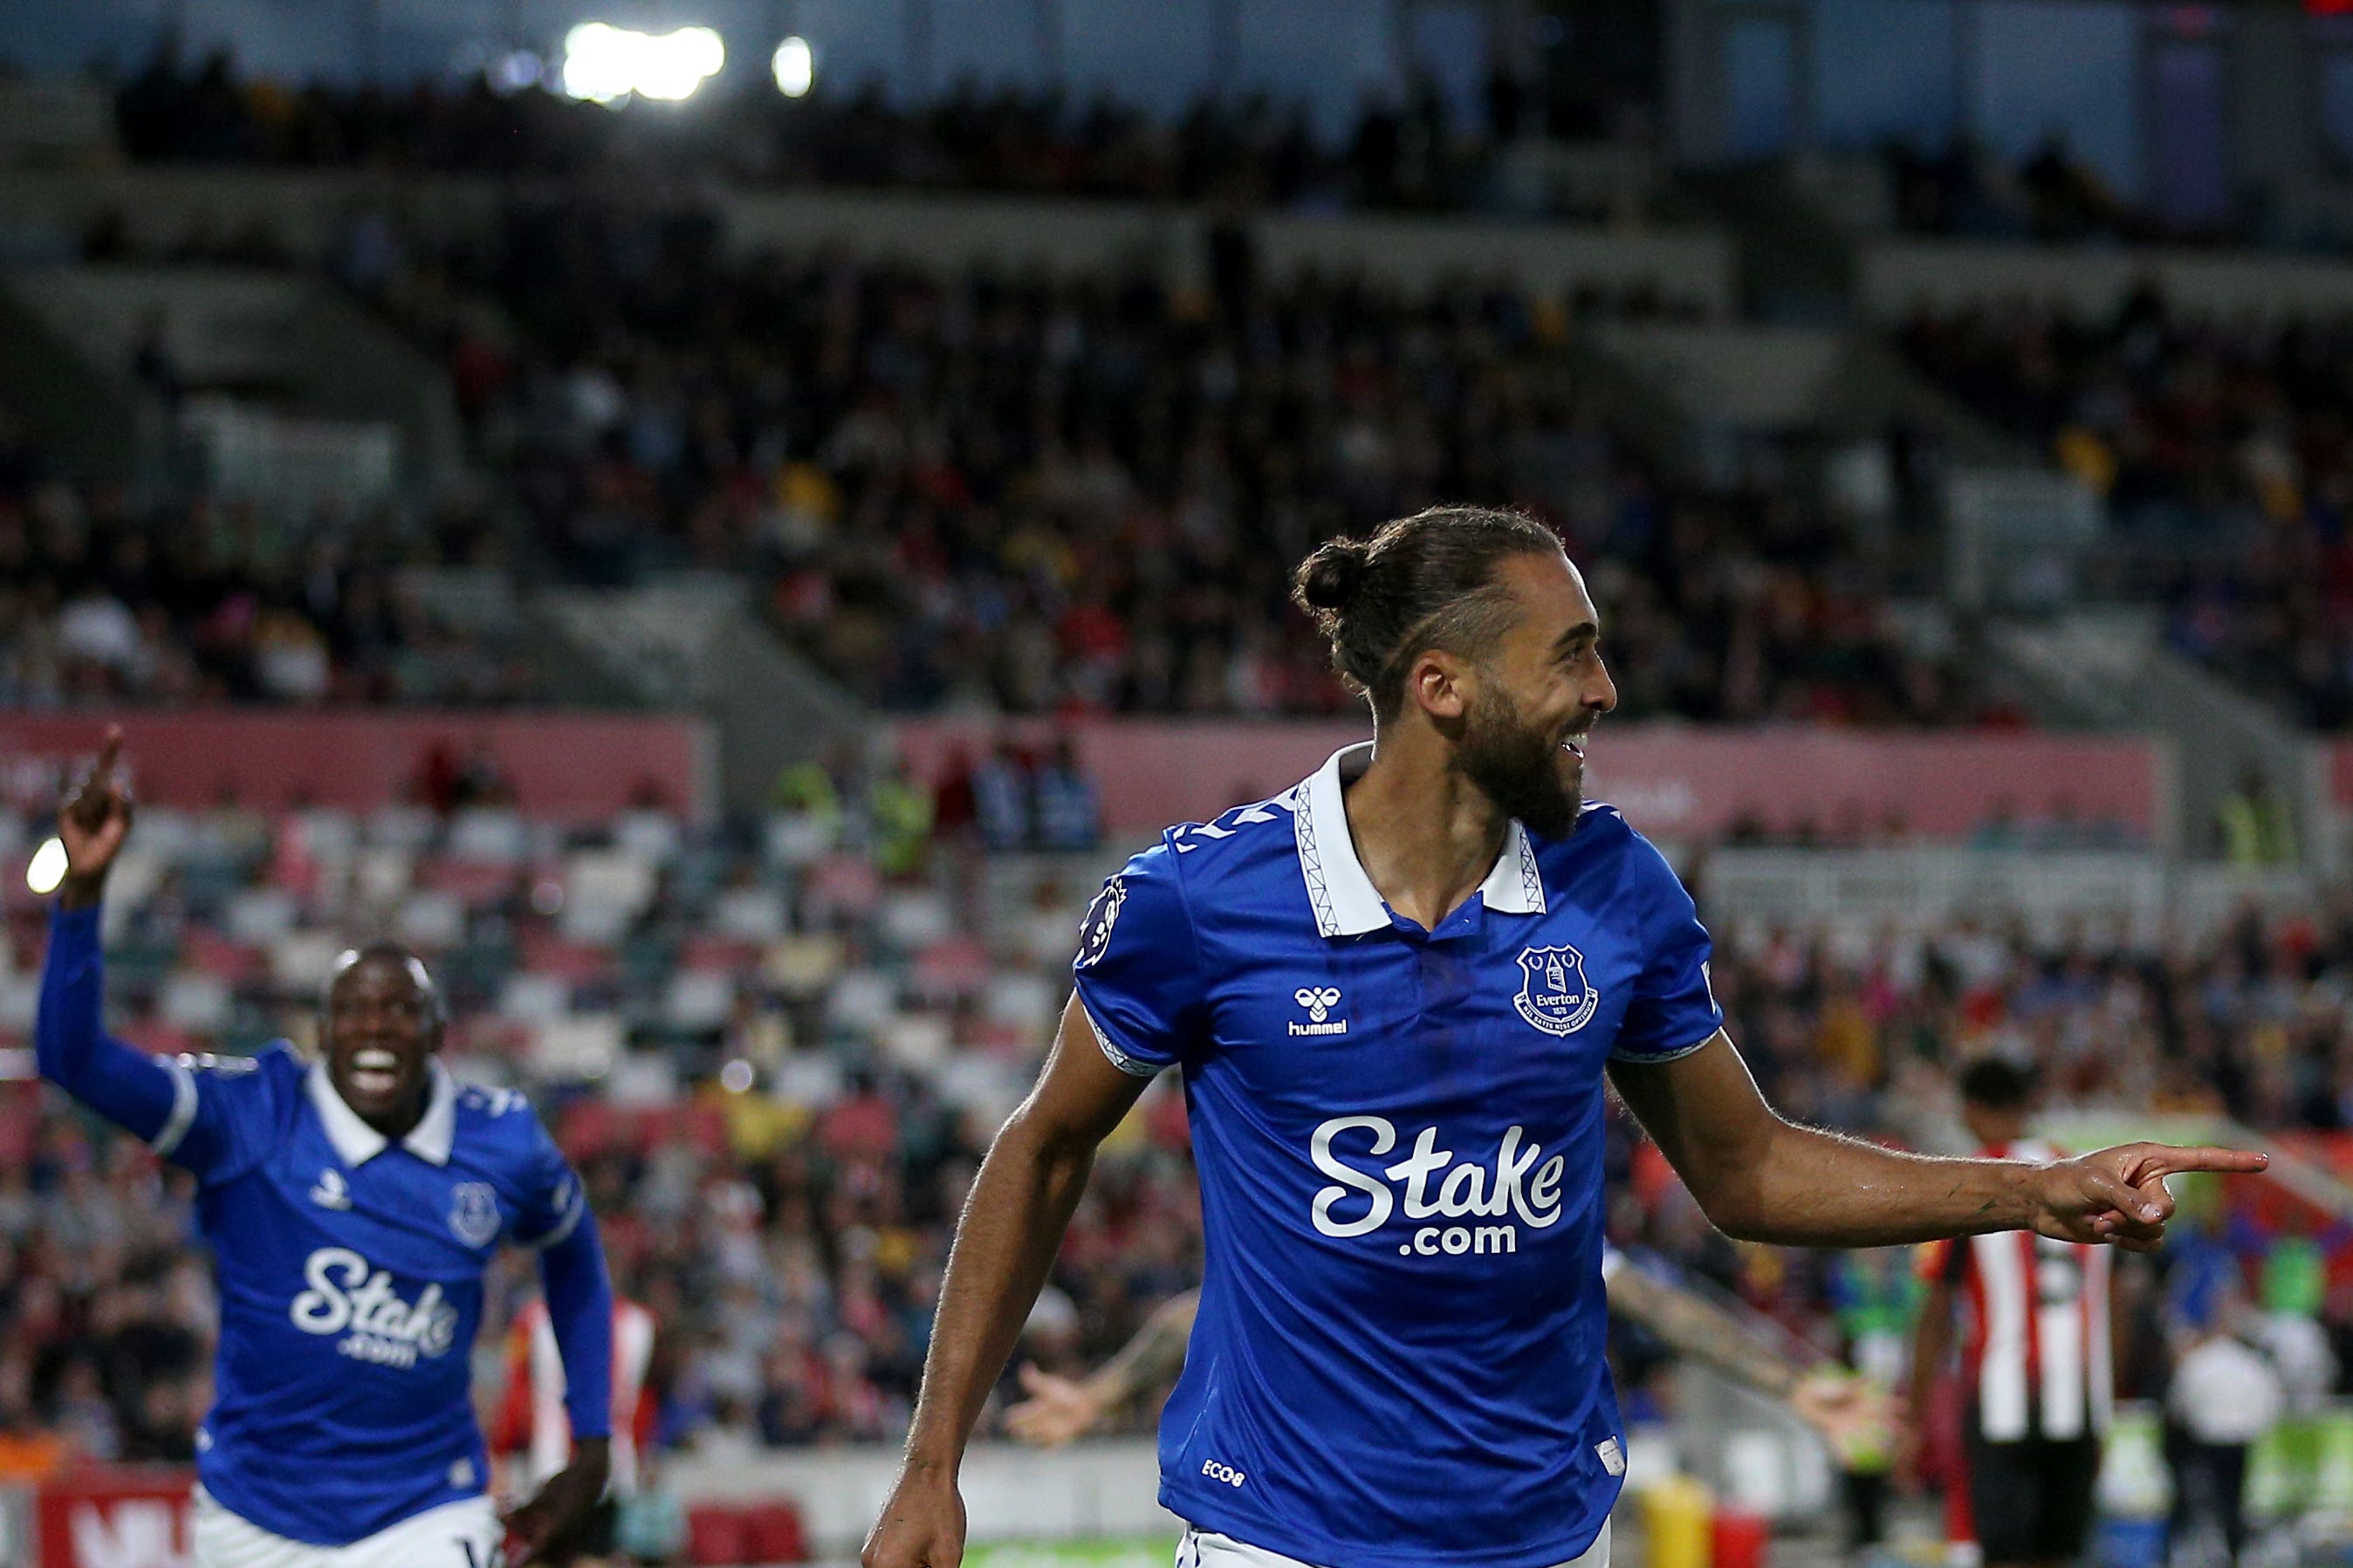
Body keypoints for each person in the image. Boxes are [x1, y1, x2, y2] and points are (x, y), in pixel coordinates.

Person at [861, 506, 2264, 1568]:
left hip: (1547, 1536)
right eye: (1573, 655)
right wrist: (935, 1459)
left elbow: (1750, 1170)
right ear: (1443, 688)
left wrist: (2033, 1192)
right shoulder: (1202, 898)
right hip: (1279, 1535)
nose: (1604, 692)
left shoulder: (1616, 888)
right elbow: (1041, 1151)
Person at [36, 730, 615, 1568]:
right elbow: (73, 1060)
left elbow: (576, 1257)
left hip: (429, 1509)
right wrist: (82, 892)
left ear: (439, 1033)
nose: (376, 1027)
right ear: (322, 1031)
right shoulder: (250, 1111)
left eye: (399, 1011)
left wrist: (591, 1434)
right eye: (353, 1010)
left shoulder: (502, 1138)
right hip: (252, 1516)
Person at [1004, 1258, 1891, 1457]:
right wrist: (1102, 1394)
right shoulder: (1349, 1211)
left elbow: (1651, 1300)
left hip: (1507, 1498)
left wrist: (1789, 1383)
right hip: (1355, 1499)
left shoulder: (1523, 1199)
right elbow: (1204, 1311)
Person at [1907, 1058, 2112, 1568]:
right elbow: (2121, 1297)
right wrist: (2109, 1399)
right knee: (2059, 1554)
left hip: (2002, 1396)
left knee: (2003, 1554)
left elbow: (1936, 1309)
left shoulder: (1969, 1182)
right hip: (2081, 1397)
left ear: (1973, 1110)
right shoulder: (2086, 1176)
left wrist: (1914, 1418)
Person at [495, 1291, 660, 1568]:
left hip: (549, 1465)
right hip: (611, 1464)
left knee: (543, 1551)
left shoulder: (533, 1318)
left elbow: (517, 1395)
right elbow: (645, 1401)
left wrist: (502, 1447)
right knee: (594, 1554)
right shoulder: (641, 1323)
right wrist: (641, 1450)